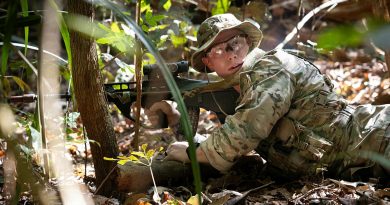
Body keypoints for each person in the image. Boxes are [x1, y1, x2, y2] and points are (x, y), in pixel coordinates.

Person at [163, 13, 390, 180]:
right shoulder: (240, 86)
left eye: (236, 44)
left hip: (378, 136)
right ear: (207, 62)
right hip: (362, 159)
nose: (232, 55)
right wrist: (175, 119)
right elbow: (233, 140)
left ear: (248, 43)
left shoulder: (272, 68)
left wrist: (190, 153)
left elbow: (241, 135)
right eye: (219, 50)